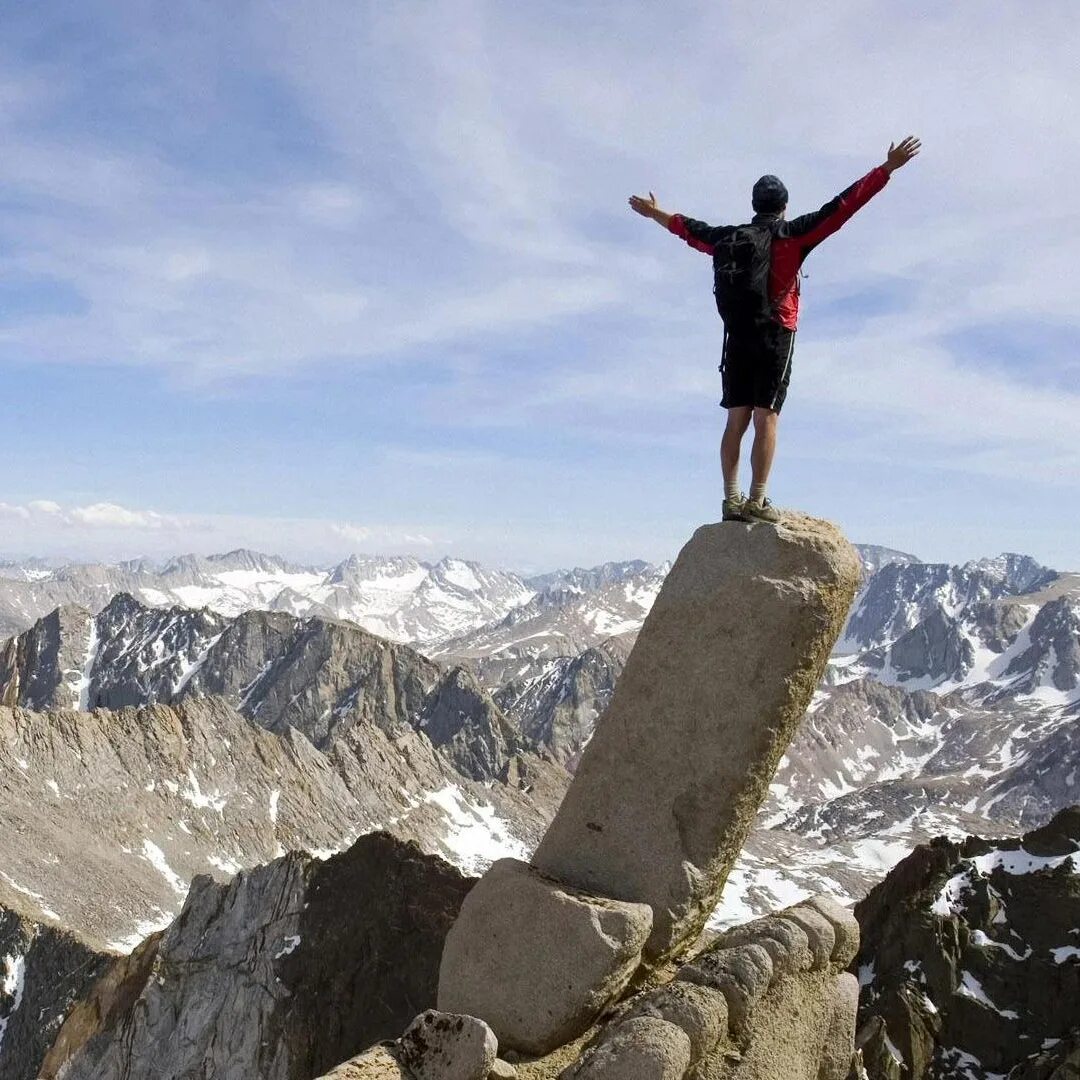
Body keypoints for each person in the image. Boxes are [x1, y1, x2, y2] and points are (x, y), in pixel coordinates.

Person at [629, 136, 921, 523]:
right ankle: (757, 500)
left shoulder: (727, 239)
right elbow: (843, 207)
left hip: (736, 336)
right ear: (783, 207)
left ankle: (730, 500)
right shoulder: (792, 235)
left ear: (754, 206)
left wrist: (655, 213)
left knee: (737, 419)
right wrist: (885, 170)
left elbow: (688, 229)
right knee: (767, 416)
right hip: (774, 333)